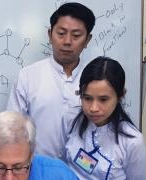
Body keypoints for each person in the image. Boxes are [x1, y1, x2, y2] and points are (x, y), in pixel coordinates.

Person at [62, 56, 146, 180]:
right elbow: (64, 163)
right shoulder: (71, 121)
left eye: (103, 99)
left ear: (120, 95)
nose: (93, 108)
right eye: (87, 98)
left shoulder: (131, 140)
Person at [7, 2, 95, 160]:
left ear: (87, 40)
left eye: (76, 36)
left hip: (85, 173)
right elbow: (13, 128)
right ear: (50, 34)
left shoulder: (96, 78)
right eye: (61, 33)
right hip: (38, 168)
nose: (67, 41)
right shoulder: (28, 76)